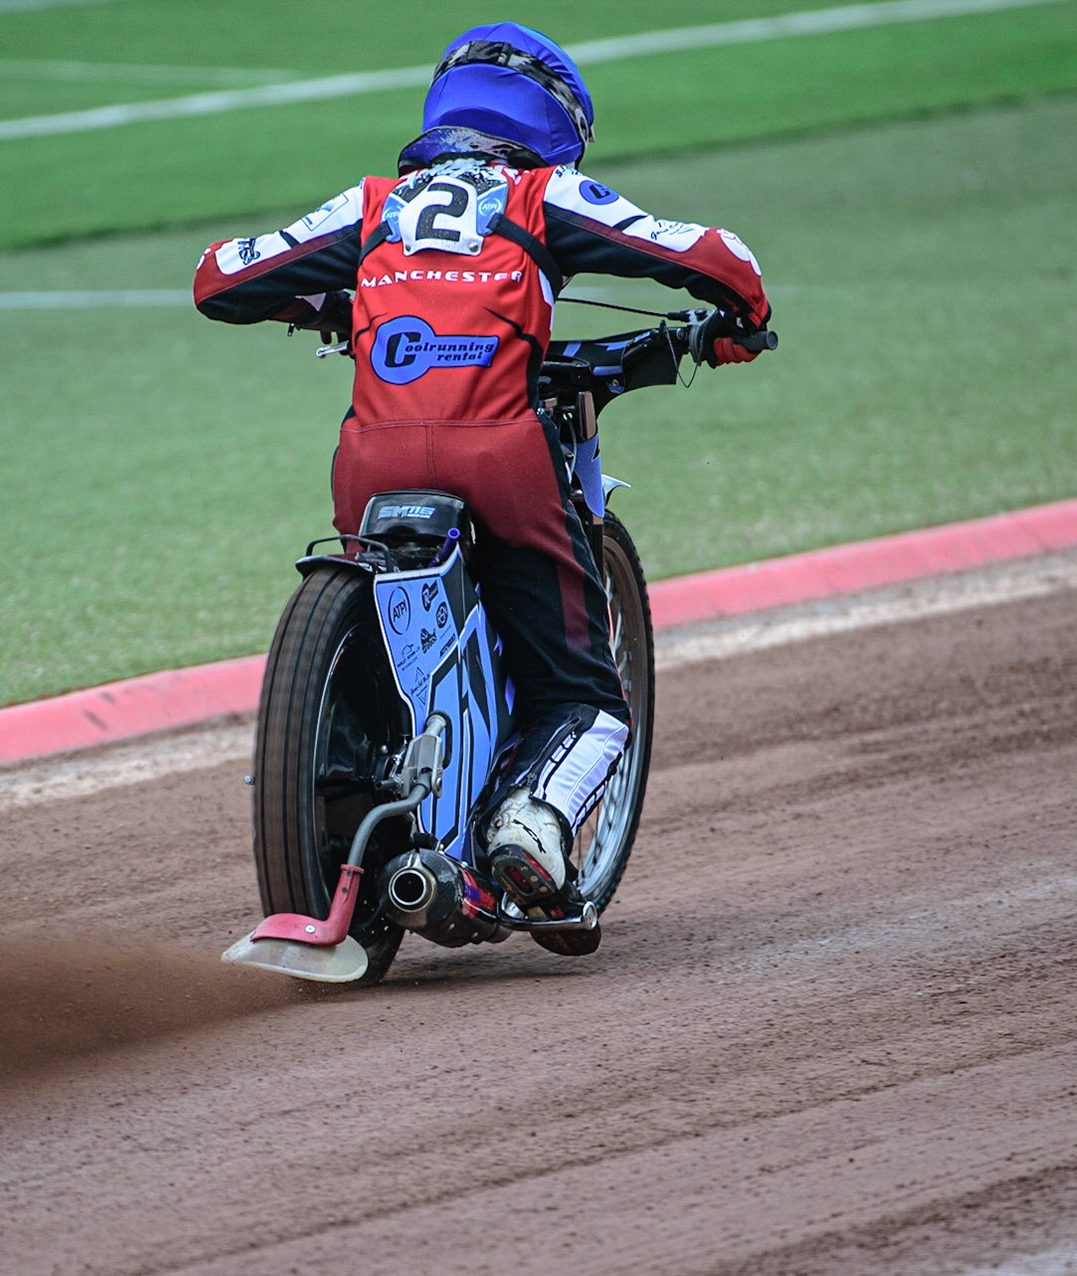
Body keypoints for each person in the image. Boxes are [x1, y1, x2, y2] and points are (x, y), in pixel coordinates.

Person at [192, 22, 771, 946]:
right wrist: (745, 317)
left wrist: (333, 306)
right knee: (588, 696)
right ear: (556, 123)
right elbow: (710, 253)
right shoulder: (544, 196)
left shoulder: (374, 204)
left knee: (376, 607)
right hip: (501, 455)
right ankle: (526, 826)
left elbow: (219, 279)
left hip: (369, 461)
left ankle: (344, 788)